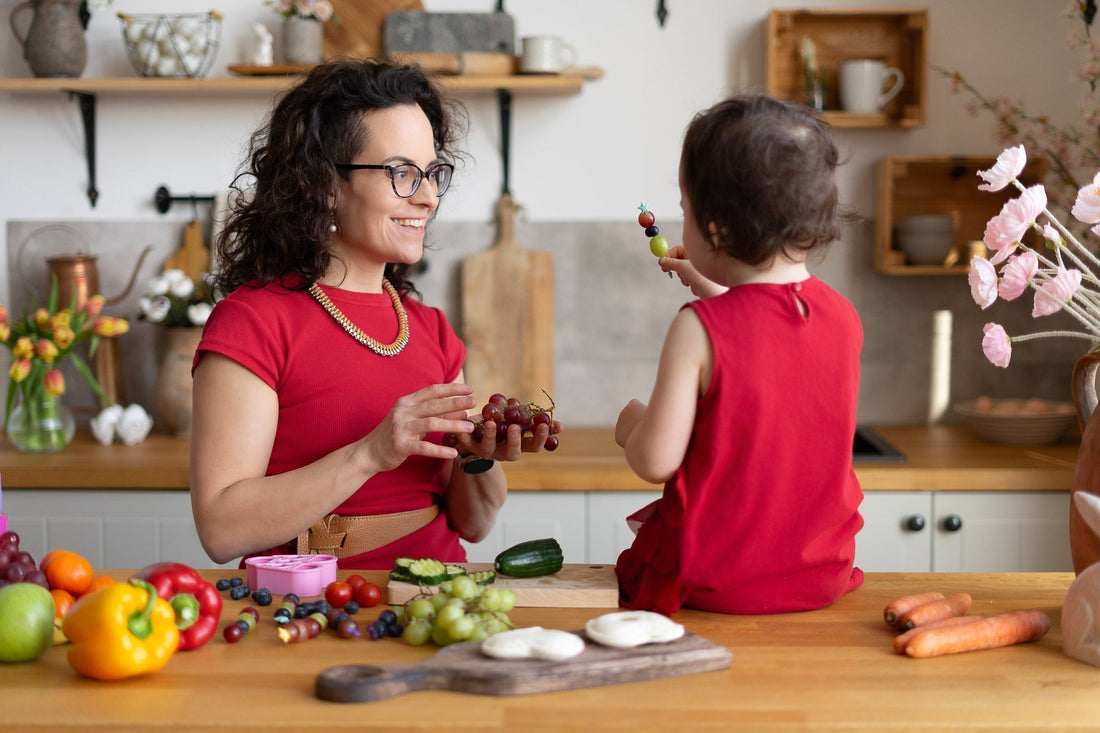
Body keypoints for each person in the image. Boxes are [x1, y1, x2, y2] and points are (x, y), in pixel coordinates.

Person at [190, 58, 559, 569]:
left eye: (433, 174)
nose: (428, 197)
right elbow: (221, 529)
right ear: (324, 184)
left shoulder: (430, 329)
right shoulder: (252, 322)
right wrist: (371, 453)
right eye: (403, 173)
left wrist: (477, 454)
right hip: (314, 612)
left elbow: (473, 526)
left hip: (441, 595)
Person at [614, 94, 864, 616]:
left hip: (719, 584)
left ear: (716, 229)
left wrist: (630, 425)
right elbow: (767, 342)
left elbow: (656, 461)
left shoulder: (696, 329)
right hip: (820, 578)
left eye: (685, 211)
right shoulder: (842, 316)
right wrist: (713, 287)